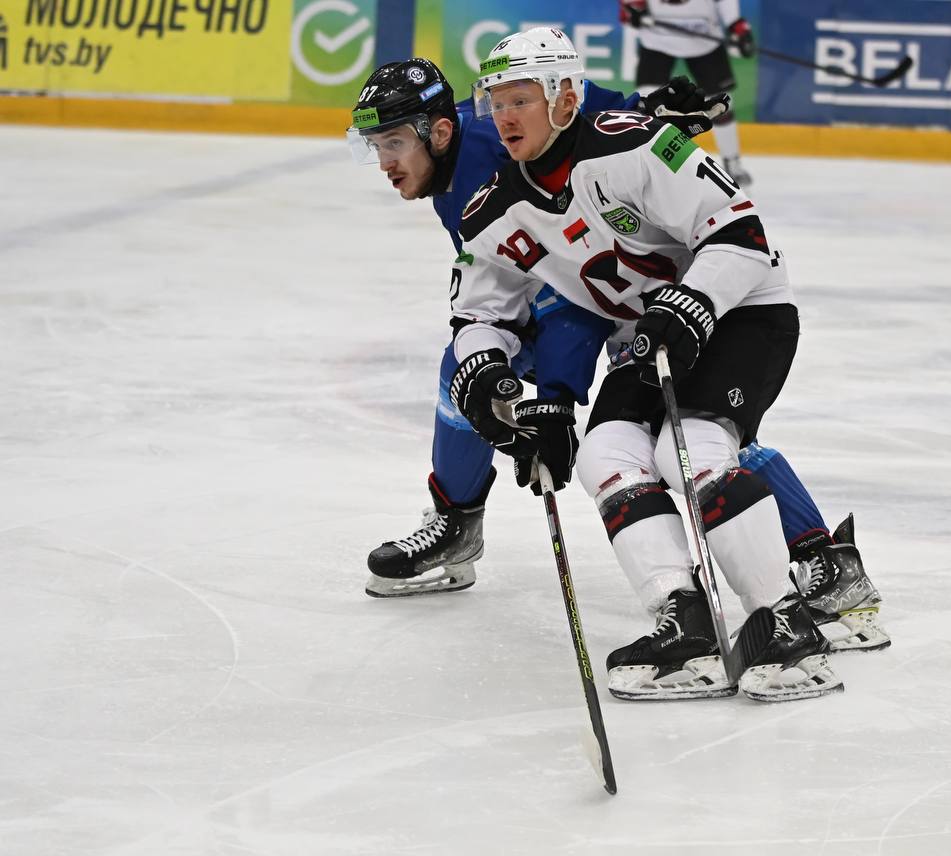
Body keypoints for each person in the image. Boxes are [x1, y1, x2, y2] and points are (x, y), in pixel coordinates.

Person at [346, 46, 890, 658]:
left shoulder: (506, 149)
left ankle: (804, 575)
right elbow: (489, 299)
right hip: (627, 301)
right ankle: (750, 585)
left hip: (689, 297)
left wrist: (557, 396)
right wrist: (489, 369)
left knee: (695, 438)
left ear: (439, 132)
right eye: (497, 104)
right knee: (565, 419)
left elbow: (572, 280)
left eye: (394, 143)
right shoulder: (484, 177)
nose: (384, 162)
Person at [619, 0, 756, 187]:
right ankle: (642, 165)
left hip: (704, 41)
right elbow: (628, 12)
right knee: (647, 105)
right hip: (657, 40)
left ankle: (732, 163)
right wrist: (633, 11)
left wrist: (735, 24)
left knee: (721, 105)